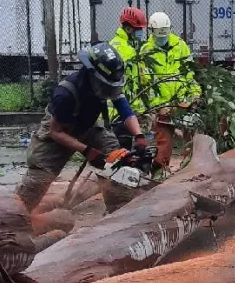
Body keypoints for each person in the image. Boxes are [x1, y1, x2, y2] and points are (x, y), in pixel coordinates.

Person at [16, 42, 147, 213]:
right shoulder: (66, 94)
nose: (109, 92)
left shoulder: (108, 86)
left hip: (88, 125)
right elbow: (55, 132)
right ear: (92, 75)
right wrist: (87, 151)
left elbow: (125, 110)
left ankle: (118, 208)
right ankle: (14, 216)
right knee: (39, 178)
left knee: (115, 158)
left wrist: (139, 136)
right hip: (59, 130)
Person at [140, 11, 202, 172]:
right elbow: (147, 85)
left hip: (182, 104)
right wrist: (159, 107)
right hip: (163, 108)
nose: (162, 38)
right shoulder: (146, 51)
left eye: (164, 34)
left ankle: (190, 172)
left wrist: (195, 94)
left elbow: (189, 75)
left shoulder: (180, 46)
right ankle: (159, 174)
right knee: (163, 148)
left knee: (192, 143)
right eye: (159, 35)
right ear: (152, 31)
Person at [108, 6, 148, 150]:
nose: (141, 32)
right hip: (119, 111)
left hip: (124, 109)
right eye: (139, 29)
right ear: (129, 29)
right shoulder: (122, 49)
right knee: (122, 151)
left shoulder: (127, 46)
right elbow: (126, 82)